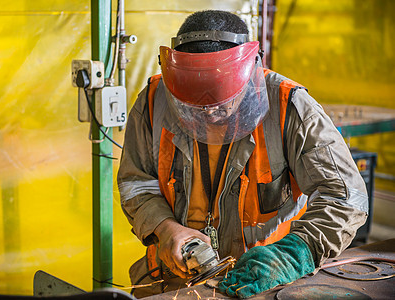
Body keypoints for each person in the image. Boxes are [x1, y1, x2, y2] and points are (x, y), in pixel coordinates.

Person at [117, 10, 368, 298]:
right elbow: (135, 182)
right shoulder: (153, 101)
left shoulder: (289, 106)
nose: (209, 114)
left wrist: (293, 254)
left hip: (266, 280)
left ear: (249, 76)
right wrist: (166, 228)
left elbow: (345, 196)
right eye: (193, 107)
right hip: (174, 280)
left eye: (221, 103)